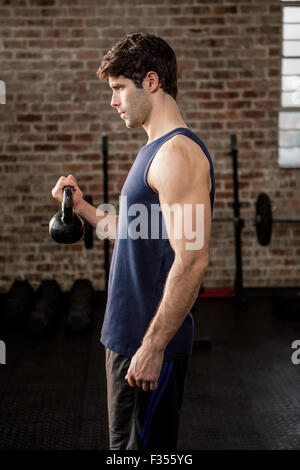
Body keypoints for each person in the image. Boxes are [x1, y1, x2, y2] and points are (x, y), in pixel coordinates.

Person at [51, 32, 215, 450]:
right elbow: (135, 229)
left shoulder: (178, 155)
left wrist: (154, 346)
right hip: (126, 339)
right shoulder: (153, 150)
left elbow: (193, 260)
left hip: (147, 345)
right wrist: (86, 209)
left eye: (119, 88)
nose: (114, 101)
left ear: (152, 82)